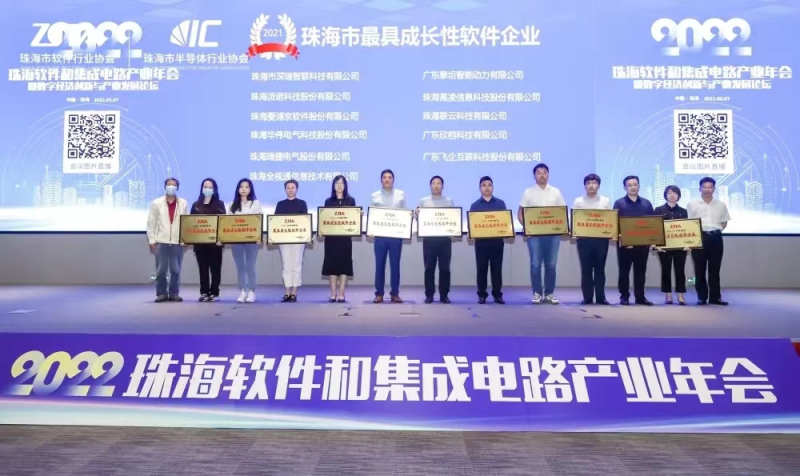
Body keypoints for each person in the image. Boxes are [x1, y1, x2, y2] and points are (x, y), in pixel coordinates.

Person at [518, 163, 566, 304]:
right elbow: (520, 213)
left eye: (544, 172)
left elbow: (562, 212)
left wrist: (563, 227)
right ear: (534, 175)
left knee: (551, 264)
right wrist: (527, 228)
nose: (542, 175)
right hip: (535, 235)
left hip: (553, 235)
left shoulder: (556, 192)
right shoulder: (528, 192)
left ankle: (549, 293)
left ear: (548, 174)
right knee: (535, 264)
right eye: (538, 172)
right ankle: (537, 293)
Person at [688, 177, 731, 306]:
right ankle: (701, 297)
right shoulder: (692, 204)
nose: (707, 189)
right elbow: (688, 223)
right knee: (699, 269)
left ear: (714, 189)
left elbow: (724, 222)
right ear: (699, 188)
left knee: (715, 269)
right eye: (704, 187)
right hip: (699, 237)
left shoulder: (721, 204)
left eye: (710, 187)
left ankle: (715, 297)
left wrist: (715, 232)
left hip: (716, 238)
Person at [613, 175, 655, 306]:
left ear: (639, 186)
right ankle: (624, 296)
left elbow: (653, 224)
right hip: (625, 245)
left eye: (635, 185)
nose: (633, 187)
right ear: (625, 187)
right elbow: (614, 224)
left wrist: (651, 240)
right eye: (630, 185)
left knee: (640, 272)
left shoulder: (647, 203)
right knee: (624, 271)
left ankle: (640, 297)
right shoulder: (619, 203)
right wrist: (624, 239)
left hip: (642, 245)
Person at [146, 177, 189, 303]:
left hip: (177, 242)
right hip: (161, 241)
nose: (171, 187)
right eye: (169, 184)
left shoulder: (183, 203)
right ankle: (161, 294)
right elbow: (151, 223)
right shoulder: (157, 203)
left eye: (173, 185)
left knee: (176, 270)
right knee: (161, 270)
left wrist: (184, 239)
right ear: (164, 187)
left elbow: (185, 222)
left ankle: (174, 294)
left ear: (177, 188)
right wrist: (152, 240)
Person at [572, 174, 612, 305]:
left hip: (601, 240)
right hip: (584, 240)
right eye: (588, 183)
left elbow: (610, 219)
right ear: (584, 186)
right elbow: (575, 219)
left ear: (598, 186)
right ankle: (587, 297)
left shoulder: (605, 201)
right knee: (586, 269)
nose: (591, 185)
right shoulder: (578, 201)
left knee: (600, 269)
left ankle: (601, 297)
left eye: (594, 183)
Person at [417, 175, 455, 304]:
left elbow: (453, 219)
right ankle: (429, 295)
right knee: (429, 269)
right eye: (434, 183)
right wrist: (416, 215)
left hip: (445, 240)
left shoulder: (449, 201)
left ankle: (444, 295)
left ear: (442, 186)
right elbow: (419, 219)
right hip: (429, 240)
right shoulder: (423, 202)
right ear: (430, 186)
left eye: (439, 183)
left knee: (445, 269)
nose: (436, 185)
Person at [370, 169, 406, 303]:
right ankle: (379, 293)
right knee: (379, 265)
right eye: (384, 177)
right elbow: (372, 215)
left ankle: (395, 293)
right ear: (381, 180)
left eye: (389, 177)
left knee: (395, 265)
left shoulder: (401, 194)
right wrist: (370, 229)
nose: (387, 179)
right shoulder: (374, 195)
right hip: (380, 236)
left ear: (393, 180)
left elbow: (403, 213)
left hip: (396, 236)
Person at [470, 176, 507, 304]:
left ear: (493, 187)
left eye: (489, 185)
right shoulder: (475, 205)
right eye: (484, 185)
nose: (487, 187)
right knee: (481, 269)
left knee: (497, 269)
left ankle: (497, 294)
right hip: (481, 243)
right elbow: (472, 225)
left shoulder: (500, 204)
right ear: (480, 188)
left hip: (497, 242)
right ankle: (482, 294)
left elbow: (505, 222)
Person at [190, 178, 226, 302]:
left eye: (210, 187)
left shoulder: (219, 204)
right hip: (200, 243)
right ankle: (204, 292)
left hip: (215, 244)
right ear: (201, 188)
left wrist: (221, 239)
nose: (207, 189)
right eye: (205, 186)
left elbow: (223, 223)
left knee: (215, 269)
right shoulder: (196, 205)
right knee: (203, 269)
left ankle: (214, 292)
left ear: (214, 189)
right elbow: (190, 224)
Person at [322, 175, 356, 303]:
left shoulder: (351, 201)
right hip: (331, 239)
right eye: (337, 183)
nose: (339, 185)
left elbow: (353, 219)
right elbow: (325, 219)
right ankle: (333, 294)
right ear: (333, 186)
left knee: (344, 265)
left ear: (345, 185)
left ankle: (341, 293)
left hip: (345, 239)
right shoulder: (328, 201)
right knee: (332, 266)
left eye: (342, 183)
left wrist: (358, 216)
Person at [229, 178, 262, 303]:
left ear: (250, 189)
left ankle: (252, 291)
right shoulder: (232, 205)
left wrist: (259, 237)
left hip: (251, 240)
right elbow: (228, 223)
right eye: (241, 186)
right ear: (238, 189)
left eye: (247, 187)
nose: (244, 189)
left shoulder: (255, 203)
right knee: (240, 266)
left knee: (250, 264)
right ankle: (243, 290)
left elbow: (259, 221)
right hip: (236, 240)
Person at [654, 185, 689, 305]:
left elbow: (687, 229)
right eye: (669, 193)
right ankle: (668, 295)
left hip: (680, 246)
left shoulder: (683, 211)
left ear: (678, 195)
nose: (672, 195)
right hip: (663, 246)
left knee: (680, 270)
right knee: (666, 270)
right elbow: (655, 229)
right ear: (665, 195)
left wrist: (689, 243)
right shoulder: (658, 210)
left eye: (675, 193)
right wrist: (656, 245)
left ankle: (681, 295)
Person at [275, 179, 308, 302]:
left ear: (297, 189)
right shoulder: (280, 204)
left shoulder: (302, 203)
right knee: (286, 265)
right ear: (285, 190)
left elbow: (305, 221)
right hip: (284, 240)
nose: (290, 190)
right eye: (288, 188)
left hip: (298, 240)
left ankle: (294, 291)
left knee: (297, 265)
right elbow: (276, 222)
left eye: (292, 188)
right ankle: (287, 291)